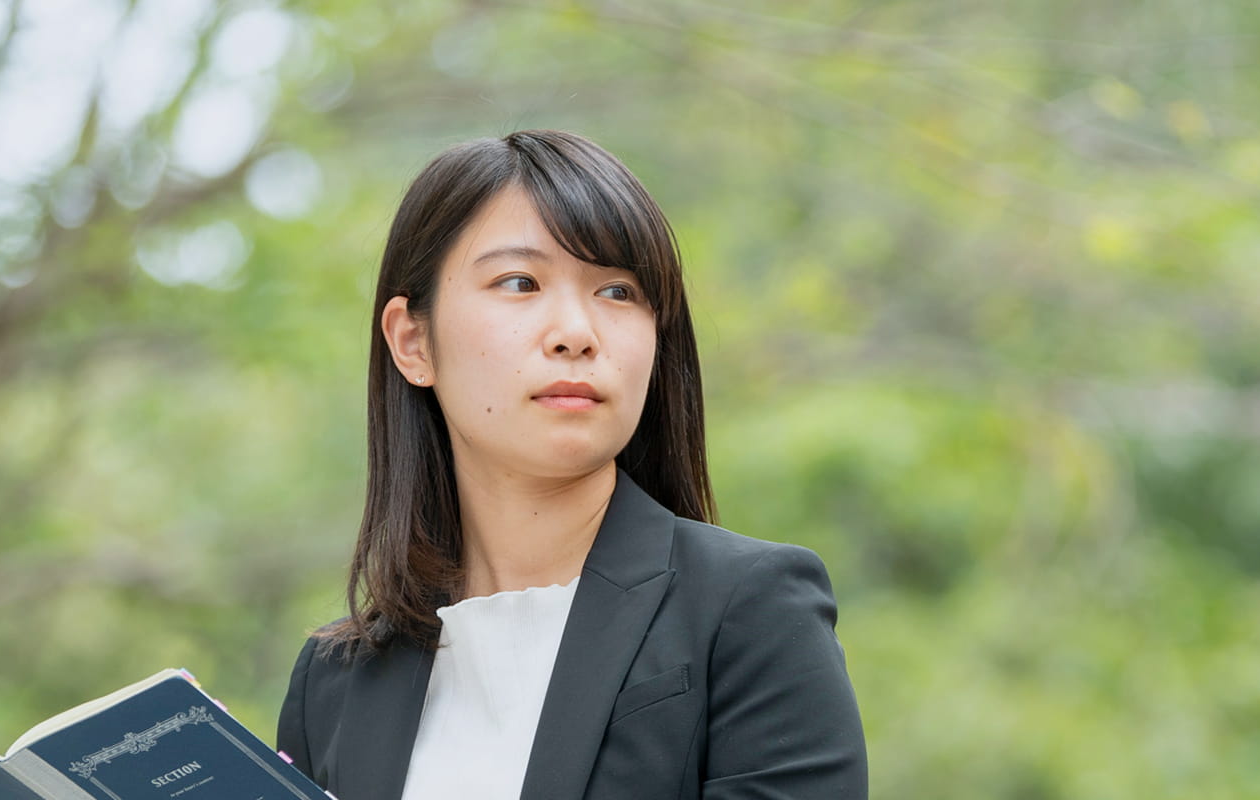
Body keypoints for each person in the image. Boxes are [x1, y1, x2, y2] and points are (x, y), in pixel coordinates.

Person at [273, 130, 867, 799]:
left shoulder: (752, 610)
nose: (577, 334)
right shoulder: (335, 681)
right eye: (520, 282)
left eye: (617, 291)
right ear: (413, 341)